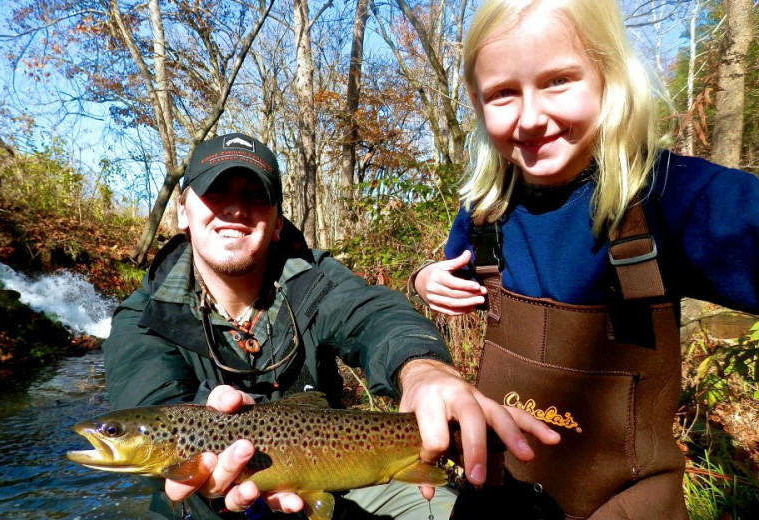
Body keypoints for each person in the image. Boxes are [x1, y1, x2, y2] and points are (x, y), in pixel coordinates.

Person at [410, 1, 759, 519]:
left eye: (558, 81)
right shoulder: (485, 213)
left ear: (609, 78)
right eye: (503, 93)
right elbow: (452, 273)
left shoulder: (676, 198)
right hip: (499, 492)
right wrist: (425, 281)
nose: (530, 118)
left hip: (627, 505)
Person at [102, 132, 558, 519]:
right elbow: (154, 402)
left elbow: (376, 314)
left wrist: (423, 369)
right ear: (183, 212)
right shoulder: (140, 318)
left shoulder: (312, 278)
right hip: (203, 509)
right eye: (215, 194)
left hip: (340, 484)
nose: (235, 210)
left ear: (278, 222)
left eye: (254, 195)